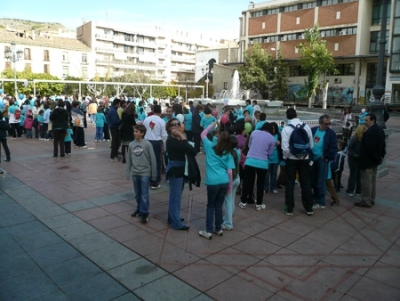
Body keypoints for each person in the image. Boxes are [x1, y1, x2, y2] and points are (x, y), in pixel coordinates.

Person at [199, 123, 235, 239]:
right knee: (219, 206)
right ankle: (218, 228)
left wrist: (211, 125)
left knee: (210, 206)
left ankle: (208, 230)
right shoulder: (228, 152)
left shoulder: (209, 146)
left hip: (212, 182)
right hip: (224, 181)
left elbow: (203, 134)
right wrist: (229, 186)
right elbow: (229, 171)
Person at [281, 108, 314, 216]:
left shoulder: (286, 129)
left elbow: (285, 148)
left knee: (290, 183)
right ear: (296, 114)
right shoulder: (306, 127)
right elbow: (311, 145)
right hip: (305, 158)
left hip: (291, 159)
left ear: (287, 116)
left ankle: (289, 208)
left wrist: (286, 157)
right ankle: (309, 208)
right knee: (305, 182)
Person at [165, 118, 196, 230]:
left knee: (176, 196)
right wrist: (182, 136)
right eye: (173, 124)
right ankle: (175, 222)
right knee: (175, 197)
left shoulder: (176, 140)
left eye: (178, 124)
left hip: (180, 170)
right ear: (169, 127)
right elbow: (191, 149)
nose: (176, 126)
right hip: (175, 171)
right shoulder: (172, 140)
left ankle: (172, 217)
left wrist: (181, 137)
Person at [239, 123, 275, 210]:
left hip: (250, 161)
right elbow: (270, 153)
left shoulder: (254, 132)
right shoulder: (271, 138)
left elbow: (250, 145)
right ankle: (259, 204)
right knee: (260, 184)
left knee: (247, 182)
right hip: (262, 163)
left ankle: (243, 202)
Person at [126, 124, 157, 223]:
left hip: (145, 172)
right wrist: (127, 172)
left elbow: (153, 159)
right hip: (135, 172)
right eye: (134, 131)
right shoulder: (131, 144)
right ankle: (139, 208)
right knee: (137, 193)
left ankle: (144, 212)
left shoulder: (147, 144)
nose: (135, 133)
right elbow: (129, 160)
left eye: (137, 131)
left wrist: (154, 174)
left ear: (142, 133)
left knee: (144, 193)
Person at [355, 113, 386, 208]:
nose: (365, 122)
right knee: (372, 180)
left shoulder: (371, 132)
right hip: (374, 161)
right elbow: (382, 146)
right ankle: (371, 199)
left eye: (367, 120)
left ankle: (366, 201)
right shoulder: (379, 130)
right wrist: (380, 157)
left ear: (373, 120)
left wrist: (377, 157)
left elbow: (371, 148)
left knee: (366, 182)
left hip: (368, 161)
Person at [310, 114, 338, 209]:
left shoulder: (331, 133)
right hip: (312, 159)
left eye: (329, 123)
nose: (327, 125)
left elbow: (333, 147)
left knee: (321, 181)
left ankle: (321, 202)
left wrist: (325, 157)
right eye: (326, 124)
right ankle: (315, 197)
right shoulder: (313, 130)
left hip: (322, 159)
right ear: (320, 123)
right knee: (313, 180)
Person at [143, 104, 168, 189]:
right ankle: (155, 182)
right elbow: (164, 136)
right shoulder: (161, 121)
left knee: (147, 162)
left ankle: (147, 180)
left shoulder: (146, 119)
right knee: (157, 162)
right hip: (157, 142)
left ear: (153, 111)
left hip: (146, 141)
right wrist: (164, 147)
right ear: (160, 112)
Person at [222, 135, 240, 231]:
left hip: (231, 179)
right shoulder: (237, 152)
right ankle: (228, 218)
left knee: (228, 202)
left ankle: (228, 223)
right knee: (231, 200)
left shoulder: (228, 154)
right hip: (237, 177)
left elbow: (228, 170)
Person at [346, 124, 367, 197]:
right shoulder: (354, 138)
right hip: (353, 158)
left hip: (360, 158)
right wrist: (354, 154)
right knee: (353, 174)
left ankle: (358, 190)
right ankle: (350, 190)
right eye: (364, 129)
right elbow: (349, 148)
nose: (365, 130)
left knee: (359, 175)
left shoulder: (364, 138)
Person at [264, 122, 282, 194]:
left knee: (274, 173)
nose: (273, 130)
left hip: (276, 157)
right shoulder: (267, 135)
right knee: (267, 174)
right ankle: (265, 187)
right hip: (268, 157)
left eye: (274, 128)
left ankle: (273, 187)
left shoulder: (279, 135)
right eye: (272, 128)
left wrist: (279, 143)